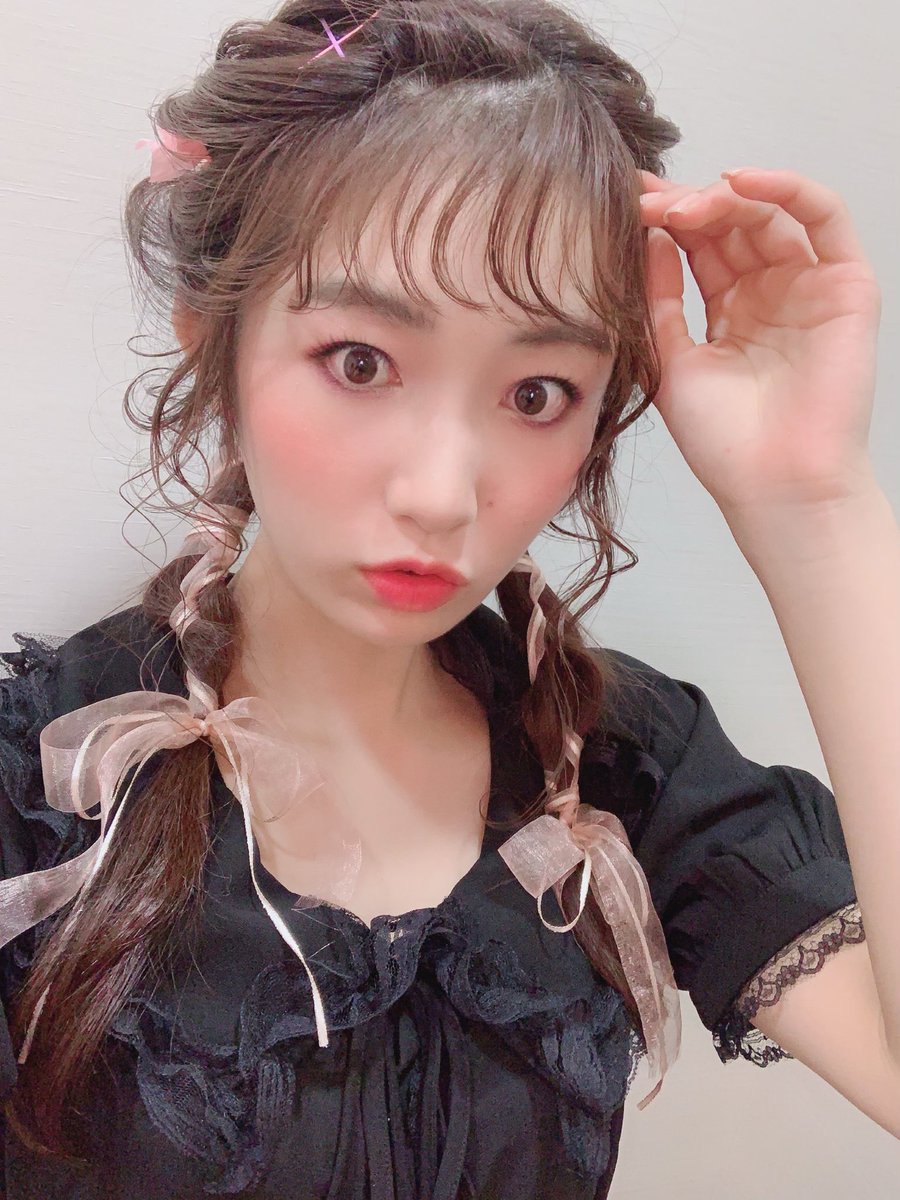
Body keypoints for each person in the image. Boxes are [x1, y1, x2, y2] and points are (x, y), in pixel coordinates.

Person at [1, 0, 896, 1196]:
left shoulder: (617, 764)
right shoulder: (36, 785)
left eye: (537, 393)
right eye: (360, 361)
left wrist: (813, 504)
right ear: (213, 342)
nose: (439, 494)